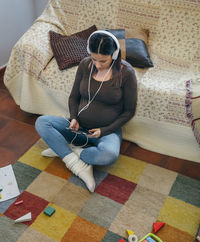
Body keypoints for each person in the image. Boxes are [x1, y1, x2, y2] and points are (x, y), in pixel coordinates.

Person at [35, 30, 137, 192]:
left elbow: (129, 111)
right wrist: (74, 118)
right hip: (77, 127)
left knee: (109, 155)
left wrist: (105, 130)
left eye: (103, 61)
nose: (97, 65)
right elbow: (73, 97)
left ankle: (68, 151)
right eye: (94, 58)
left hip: (106, 132)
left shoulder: (126, 74)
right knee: (42, 122)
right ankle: (78, 166)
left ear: (114, 54)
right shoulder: (85, 64)